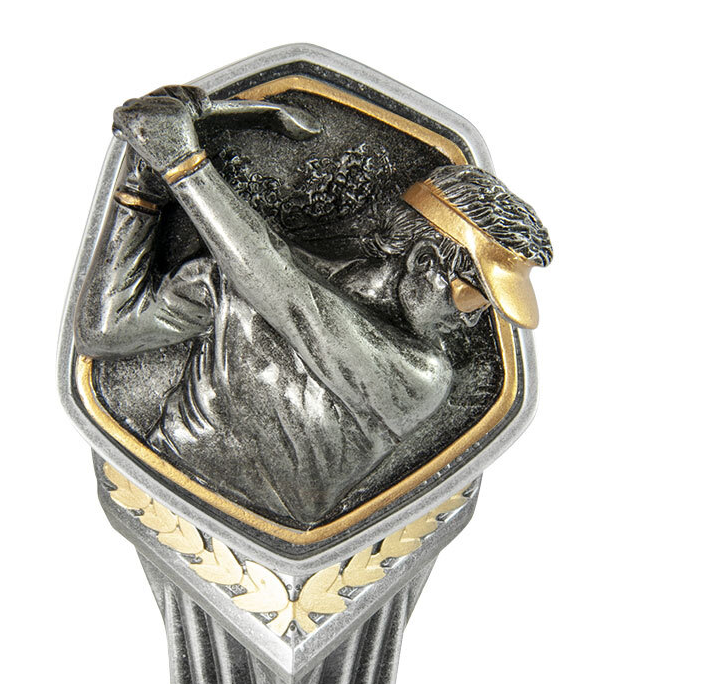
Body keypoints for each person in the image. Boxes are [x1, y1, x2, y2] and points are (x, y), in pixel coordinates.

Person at [75, 87, 552, 527]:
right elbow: (103, 333)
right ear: (424, 260)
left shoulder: (424, 377)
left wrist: (180, 162)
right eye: (474, 297)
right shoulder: (233, 274)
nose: (473, 320)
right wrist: (143, 183)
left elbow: (291, 298)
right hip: (158, 495)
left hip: (260, 542)